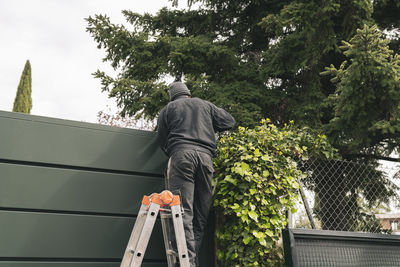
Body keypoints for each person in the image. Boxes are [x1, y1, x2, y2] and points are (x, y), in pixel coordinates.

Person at [157, 81, 235, 267]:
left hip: (182, 157)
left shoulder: (168, 109)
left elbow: (161, 139)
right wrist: (208, 125)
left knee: (182, 212)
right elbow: (229, 121)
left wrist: (175, 151)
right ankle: (190, 262)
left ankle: (187, 263)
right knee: (201, 213)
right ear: (188, 94)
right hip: (206, 160)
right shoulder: (205, 105)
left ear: (172, 96)